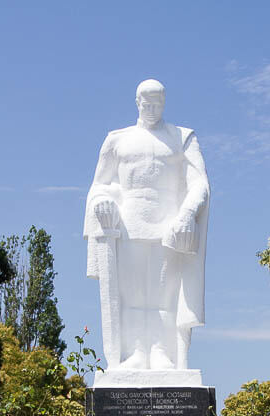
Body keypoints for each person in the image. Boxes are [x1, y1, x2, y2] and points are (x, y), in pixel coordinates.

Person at [84, 79, 210, 374]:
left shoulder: (182, 138)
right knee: (132, 294)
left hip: (171, 225)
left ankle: (162, 352)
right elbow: (99, 185)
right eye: (147, 104)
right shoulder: (117, 139)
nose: (152, 109)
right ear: (137, 103)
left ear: (164, 103)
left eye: (158, 104)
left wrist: (188, 212)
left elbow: (200, 183)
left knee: (165, 294)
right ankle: (137, 351)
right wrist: (102, 200)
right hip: (129, 224)